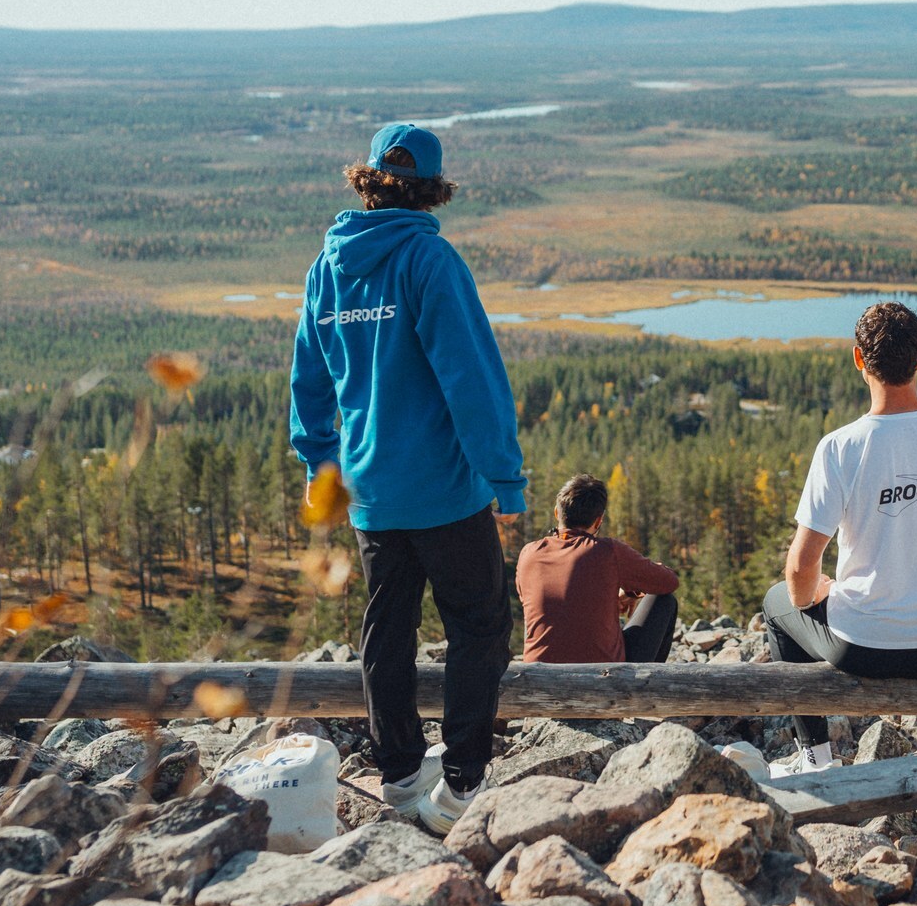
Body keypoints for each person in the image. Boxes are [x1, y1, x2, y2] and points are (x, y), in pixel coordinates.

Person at [290, 122, 526, 834]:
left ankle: (398, 774)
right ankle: (458, 784)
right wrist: (505, 482)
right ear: (431, 189)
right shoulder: (430, 261)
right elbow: (473, 381)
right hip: (447, 494)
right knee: (479, 627)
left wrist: (321, 467)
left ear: (366, 180)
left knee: (385, 632)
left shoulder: (325, 269)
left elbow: (309, 382)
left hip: (371, 496)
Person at [763, 301, 917, 775]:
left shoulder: (841, 447)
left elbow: (801, 566)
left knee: (777, 602)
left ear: (858, 360)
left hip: (863, 647)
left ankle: (816, 757)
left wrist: (815, 597)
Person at [517, 474, 681, 665]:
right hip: (602, 677)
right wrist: (633, 591)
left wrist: (619, 595)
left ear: (556, 513)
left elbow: (559, 603)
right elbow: (669, 581)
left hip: (539, 674)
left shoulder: (529, 553)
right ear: (598, 521)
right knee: (664, 600)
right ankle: (645, 691)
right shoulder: (607, 551)